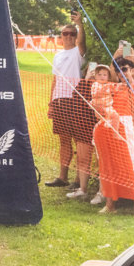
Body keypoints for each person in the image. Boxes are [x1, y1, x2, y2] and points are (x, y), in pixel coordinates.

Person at [89, 59, 134, 214]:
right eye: (118, 70)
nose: (121, 73)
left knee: (132, 165)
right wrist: (118, 53)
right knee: (109, 166)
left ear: (132, 70)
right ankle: (110, 204)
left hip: (129, 129)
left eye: (125, 69)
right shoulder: (113, 86)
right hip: (111, 128)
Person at [46, 25, 96, 192]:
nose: (68, 36)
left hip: (75, 100)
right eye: (65, 33)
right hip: (59, 101)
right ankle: (62, 177)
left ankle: (78, 179)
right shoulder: (57, 56)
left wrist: (80, 23)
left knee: (79, 141)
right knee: (64, 140)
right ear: (61, 35)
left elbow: (81, 43)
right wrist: (51, 103)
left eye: (72, 34)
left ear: (76, 36)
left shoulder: (78, 53)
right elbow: (55, 80)